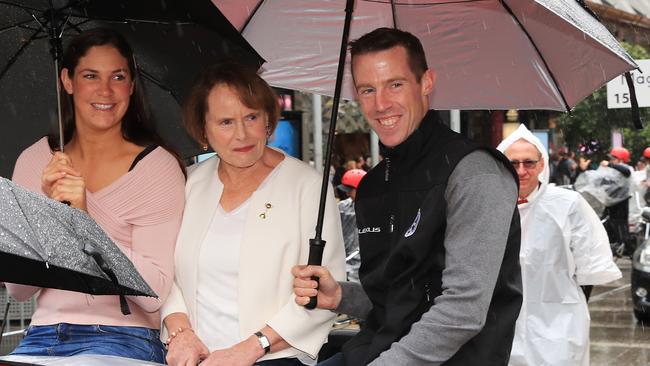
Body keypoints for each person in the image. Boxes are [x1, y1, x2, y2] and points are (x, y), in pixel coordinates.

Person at [292, 27, 522, 365]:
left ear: (427, 82)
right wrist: (341, 295)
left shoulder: (475, 174)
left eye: (395, 84)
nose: (381, 104)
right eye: (367, 89)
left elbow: (462, 312)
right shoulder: (373, 184)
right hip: (373, 350)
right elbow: (396, 299)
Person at [7, 27, 185, 362]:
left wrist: (85, 218)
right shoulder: (34, 161)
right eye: (90, 75)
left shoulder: (156, 167)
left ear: (132, 85)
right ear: (68, 80)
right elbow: (20, 290)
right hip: (42, 335)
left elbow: (154, 293)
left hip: (125, 337)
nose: (105, 90)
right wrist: (46, 213)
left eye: (117, 76)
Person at [160, 62, 346, 366]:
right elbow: (165, 274)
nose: (242, 134)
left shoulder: (307, 187)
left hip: (276, 359)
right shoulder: (189, 183)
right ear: (203, 129)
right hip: (195, 359)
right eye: (225, 122)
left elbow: (324, 292)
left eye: (251, 117)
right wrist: (181, 333)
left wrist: (251, 348)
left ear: (268, 120)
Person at [497, 125, 622, 366]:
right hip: (502, 326)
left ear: (542, 165)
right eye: (513, 163)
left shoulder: (567, 205)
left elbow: (592, 265)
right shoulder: (485, 207)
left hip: (560, 324)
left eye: (529, 163)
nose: (521, 170)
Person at [337, 168, 367, 283]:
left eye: (351, 189)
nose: (347, 193)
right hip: (344, 262)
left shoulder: (377, 208)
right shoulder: (343, 206)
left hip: (361, 265)